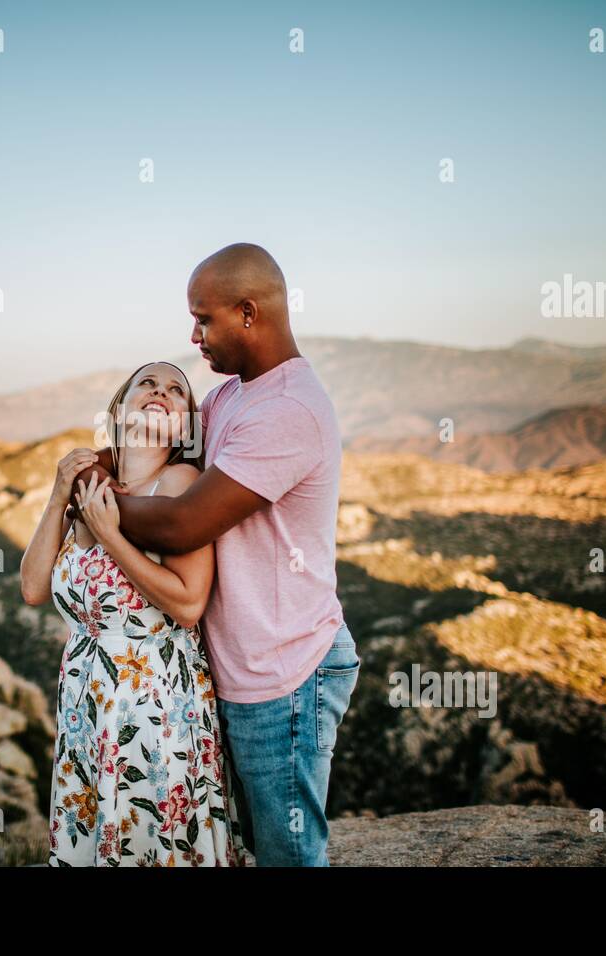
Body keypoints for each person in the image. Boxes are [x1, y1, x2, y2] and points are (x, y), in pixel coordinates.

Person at [73, 243, 359, 866]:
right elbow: (163, 448)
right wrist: (98, 466)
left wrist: (94, 505)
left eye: (204, 319)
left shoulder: (287, 410)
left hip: (283, 673)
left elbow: (181, 522)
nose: (194, 335)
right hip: (233, 670)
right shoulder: (233, 395)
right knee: (250, 845)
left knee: (288, 853)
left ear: (248, 313)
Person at [20, 361, 248, 866]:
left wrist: (112, 537)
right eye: (147, 383)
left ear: (185, 426)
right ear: (118, 409)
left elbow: (188, 604)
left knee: (150, 837)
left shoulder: (180, 482)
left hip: (156, 706)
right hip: (88, 704)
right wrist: (60, 496)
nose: (160, 392)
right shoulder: (89, 491)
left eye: (175, 391)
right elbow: (34, 587)